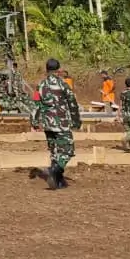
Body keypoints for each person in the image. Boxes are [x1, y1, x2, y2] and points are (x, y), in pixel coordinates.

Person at [31, 57, 80, 190]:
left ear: (47, 70)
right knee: (68, 151)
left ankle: (58, 181)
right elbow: (72, 103)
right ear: (58, 70)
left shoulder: (40, 86)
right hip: (61, 123)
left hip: (47, 124)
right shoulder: (62, 84)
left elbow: (35, 104)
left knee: (54, 152)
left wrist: (34, 121)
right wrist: (76, 121)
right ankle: (53, 170)